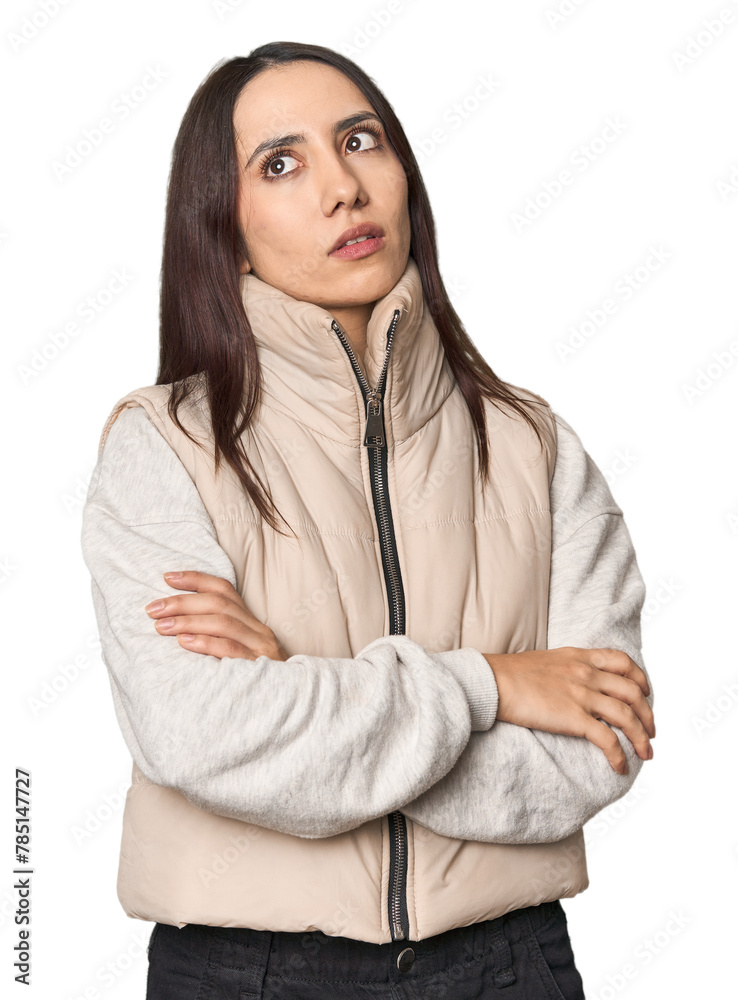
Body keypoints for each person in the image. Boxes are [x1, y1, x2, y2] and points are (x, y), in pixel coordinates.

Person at [81, 41, 656, 1000]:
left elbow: (601, 744)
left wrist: (303, 697)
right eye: (282, 162)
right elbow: (199, 737)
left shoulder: (535, 447)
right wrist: (492, 687)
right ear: (222, 225)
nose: (343, 187)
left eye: (361, 140)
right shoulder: (163, 446)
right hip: (246, 970)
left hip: (507, 966)